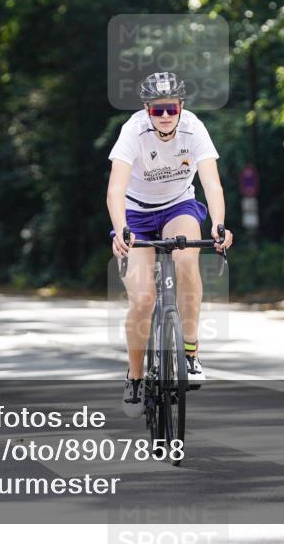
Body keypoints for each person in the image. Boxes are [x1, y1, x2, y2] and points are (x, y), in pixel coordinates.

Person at [106, 71, 233, 418]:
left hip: (179, 206)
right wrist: (121, 230)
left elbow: (212, 185)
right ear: (148, 110)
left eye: (171, 109)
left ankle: (190, 353)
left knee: (187, 260)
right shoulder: (133, 130)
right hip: (137, 213)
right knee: (143, 298)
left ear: (181, 107)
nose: (165, 116)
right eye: (157, 110)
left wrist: (220, 225)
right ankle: (135, 373)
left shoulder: (194, 129)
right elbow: (116, 188)